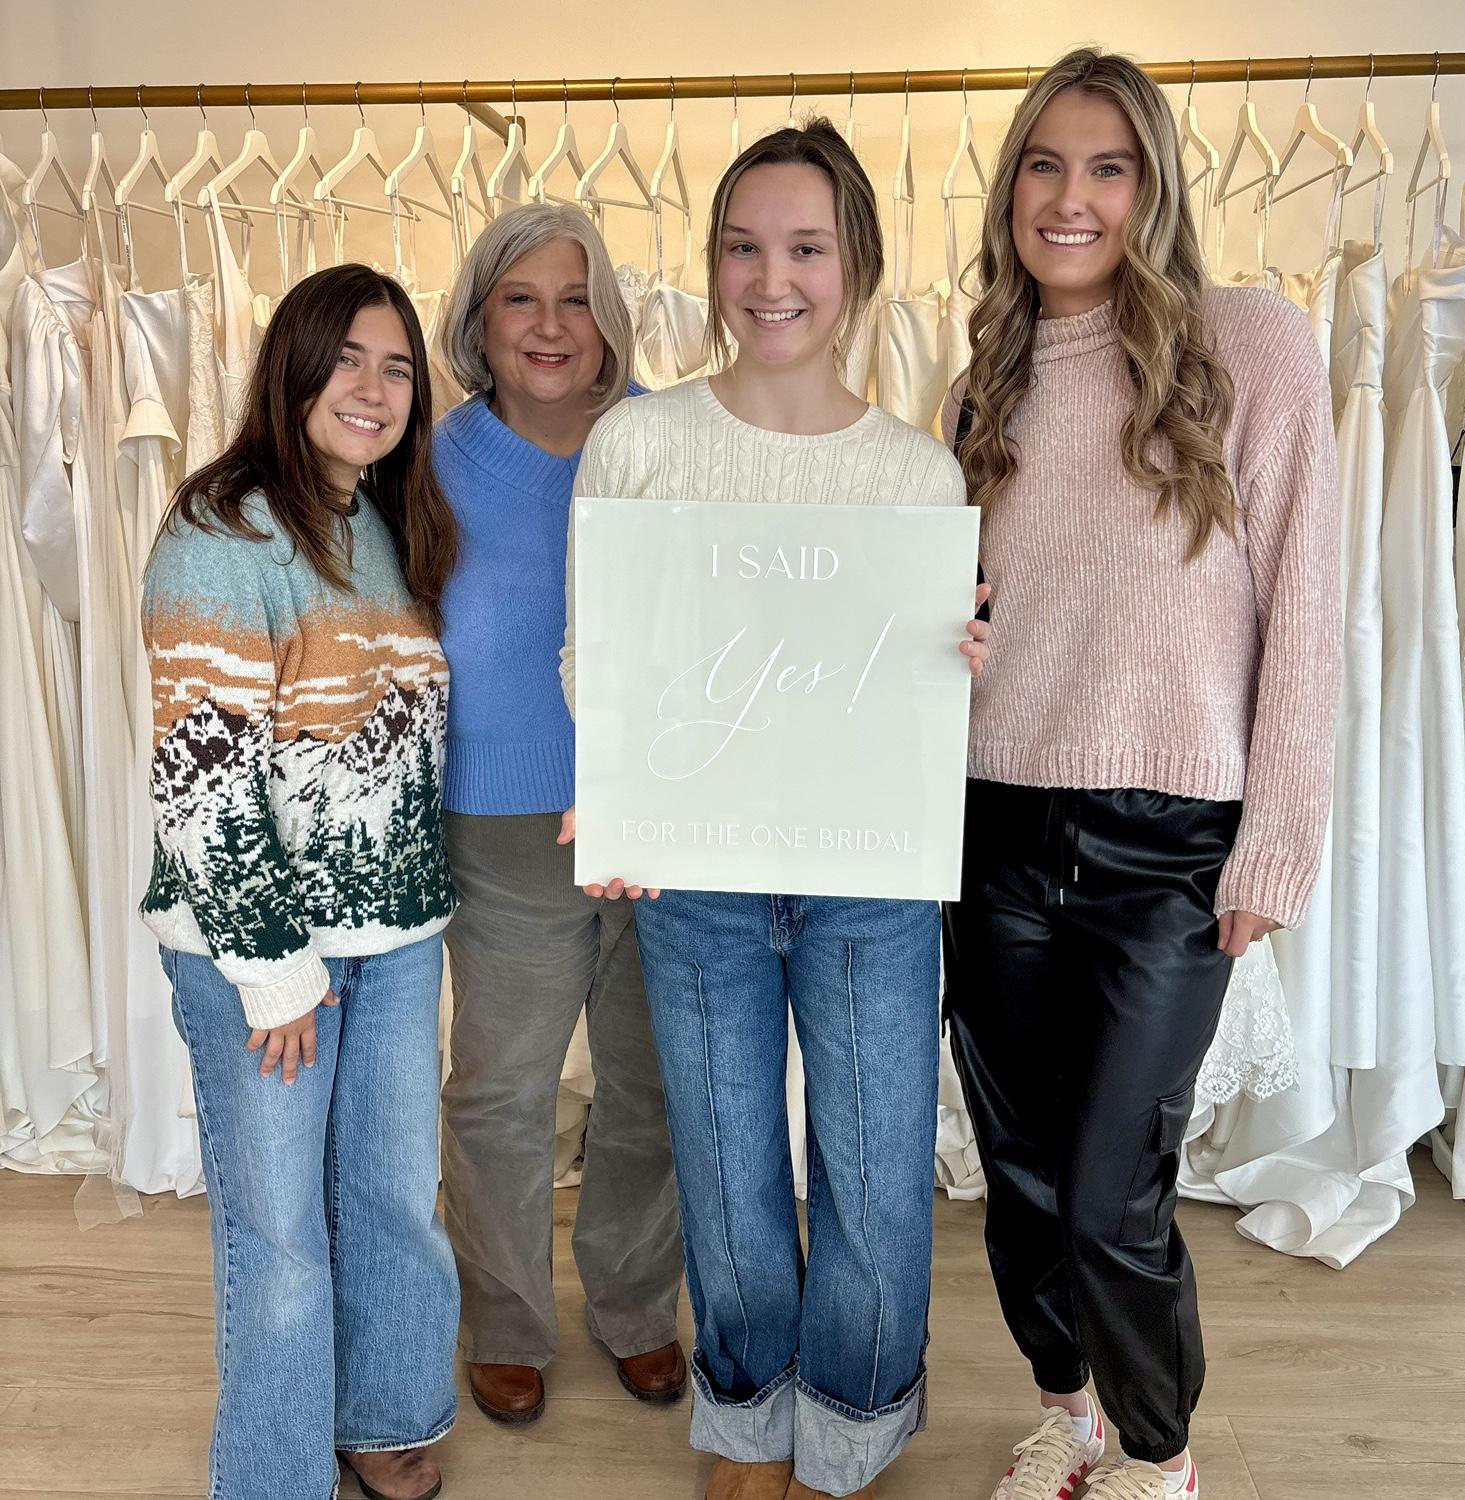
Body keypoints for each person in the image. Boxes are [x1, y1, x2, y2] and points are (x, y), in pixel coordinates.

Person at [561, 120, 992, 1500]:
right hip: (695, 869)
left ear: (856, 265)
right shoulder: (637, 445)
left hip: (869, 872)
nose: (772, 279)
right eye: (743, 247)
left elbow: (911, 700)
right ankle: (745, 1418)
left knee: (871, 1170)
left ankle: (855, 1428)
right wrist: (616, 795)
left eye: (806, 247)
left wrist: (962, 663)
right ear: (713, 264)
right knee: (729, 1163)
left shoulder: (919, 477)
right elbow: (596, 655)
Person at [941, 48, 1339, 1500]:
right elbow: (971, 606)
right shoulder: (982, 374)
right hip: (992, 821)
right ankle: (1073, 1415)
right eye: (1045, 163)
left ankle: (1157, 1459)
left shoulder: (1254, 346)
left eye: (1108, 166)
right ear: (1012, 191)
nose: (1072, 196)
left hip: (1170, 836)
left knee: (1117, 1188)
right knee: (1022, 1176)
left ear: (1154, 187)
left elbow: (1306, 599)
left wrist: (1275, 838)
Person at [141, 263, 462, 1500]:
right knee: (277, 1236)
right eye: (348, 359)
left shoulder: (384, 519)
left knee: (391, 1196)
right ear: (293, 365)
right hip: (261, 949)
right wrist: (274, 970)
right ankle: (274, 1475)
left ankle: (385, 1408)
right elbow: (198, 765)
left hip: (395, 934)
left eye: (397, 367)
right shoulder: (224, 528)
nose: (373, 389)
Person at [434, 203, 686, 1425]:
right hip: (505, 817)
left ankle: (638, 1308)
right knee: (501, 1088)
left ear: (612, 320)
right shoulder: (426, 461)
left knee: (653, 1083)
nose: (549, 324)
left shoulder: (668, 439)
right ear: (480, 316)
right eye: (520, 297)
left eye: (575, 297)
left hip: (659, 811)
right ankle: (504, 1321)